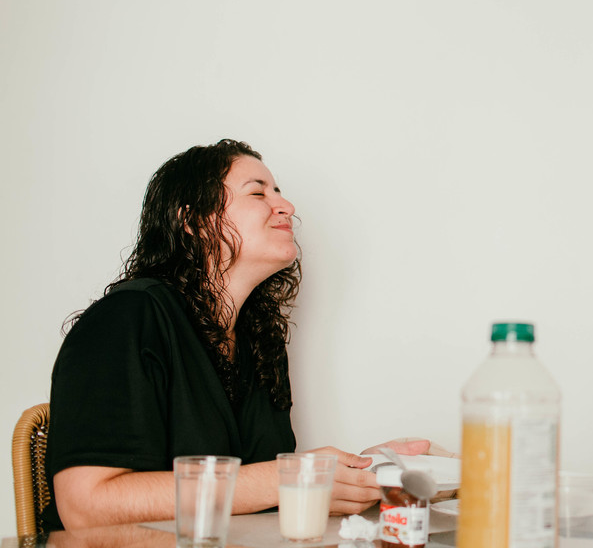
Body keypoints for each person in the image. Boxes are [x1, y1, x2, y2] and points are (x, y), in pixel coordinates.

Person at [46, 139, 427, 530]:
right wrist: (288, 479)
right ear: (195, 221)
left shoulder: (260, 341)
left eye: (278, 192)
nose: (287, 206)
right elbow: (85, 505)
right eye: (258, 193)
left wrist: (364, 472)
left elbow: (252, 492)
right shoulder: (127, 318)